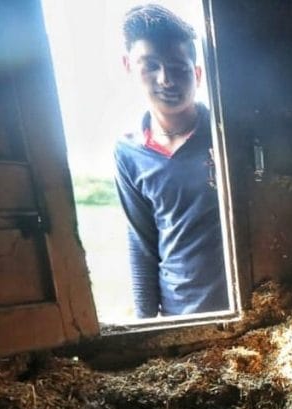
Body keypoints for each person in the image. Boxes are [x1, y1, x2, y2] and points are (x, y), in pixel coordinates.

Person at [114, 4, 229, 318]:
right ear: (128, 66)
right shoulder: (128, 153)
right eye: (151, 65)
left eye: (178, 68)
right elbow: (142, 243)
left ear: (197, 74)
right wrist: (147, 328)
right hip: (181, 317)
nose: (166, 79)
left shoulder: (225, 136)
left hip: (244, 311)